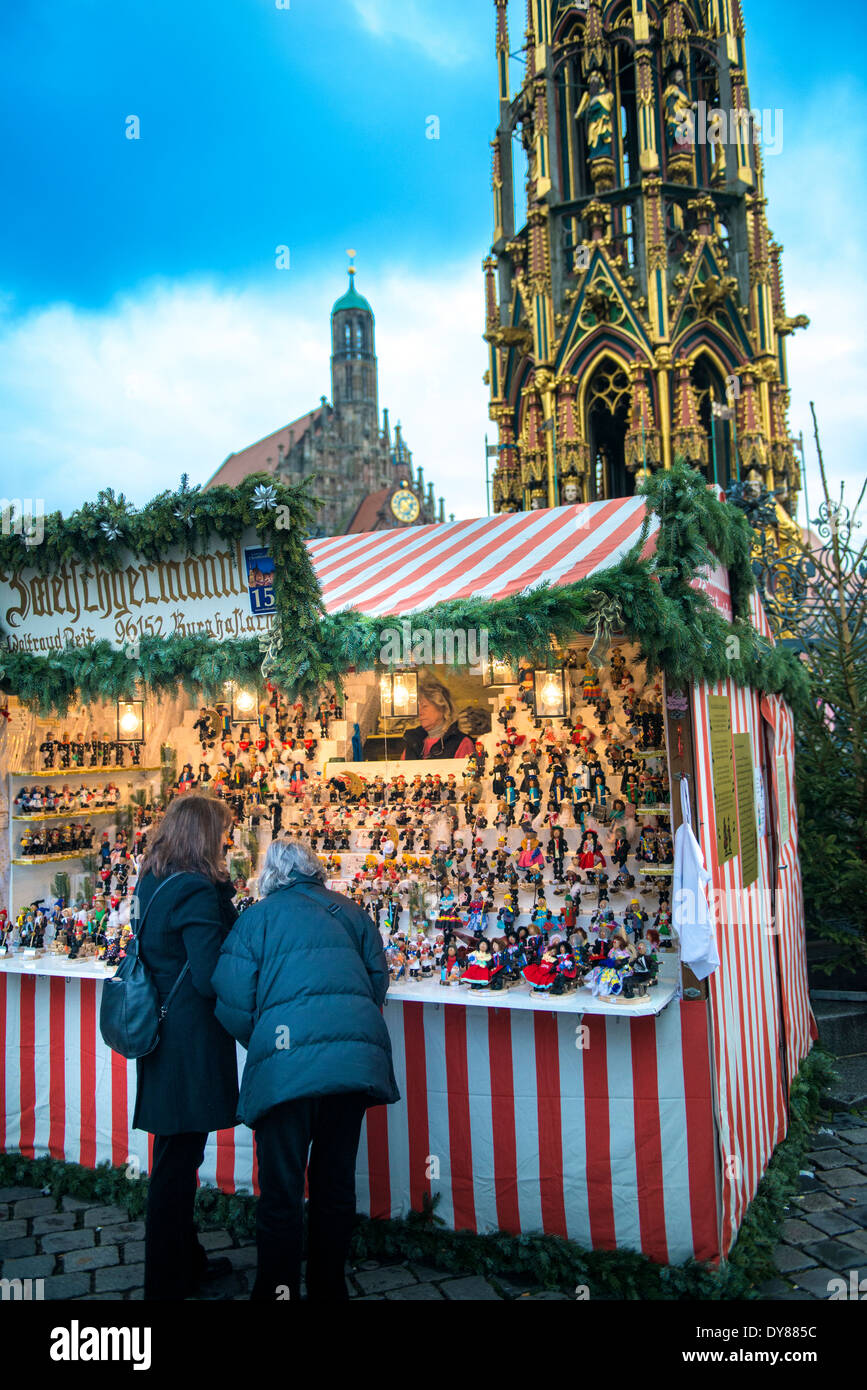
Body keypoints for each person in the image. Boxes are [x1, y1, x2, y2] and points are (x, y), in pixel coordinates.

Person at [212, 837, 400, 1302]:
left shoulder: (256, 919)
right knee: (334, 1184)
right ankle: (328, 1289)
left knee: (282, 1190)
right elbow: (378, 982)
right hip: (350, 1066)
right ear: (313, 869)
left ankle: (276, 1291)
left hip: (285, 1072)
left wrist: (268, 1039)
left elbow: (232, 999)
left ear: (269, 875)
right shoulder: (351, 911)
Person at [133, 793, 240, 1301]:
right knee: (179, 1159)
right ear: (204, 835)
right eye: (222, 831)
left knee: (176, 1152)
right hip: (189, 1040)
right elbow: (207, 973)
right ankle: (166, 1279)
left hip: (163, 1031)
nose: (227, 840)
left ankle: (185, 1260)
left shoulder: (153, 877)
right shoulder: (196, 890)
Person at [400, 674, 481, 760]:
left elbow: (469, 771)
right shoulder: (413, 743)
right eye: (418, 707)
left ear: (442, 707)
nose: (420, 712)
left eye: (424, 706)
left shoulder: (462, 743)